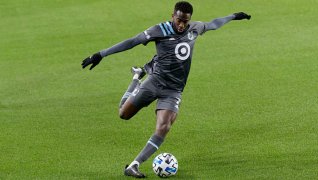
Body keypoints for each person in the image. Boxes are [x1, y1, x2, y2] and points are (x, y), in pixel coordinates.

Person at [82, 1, 251, 178]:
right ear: (172, 16)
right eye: (179, 20)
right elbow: (132, 41)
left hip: (174, 90)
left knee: (164, 126)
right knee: (123, 114)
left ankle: (133, 165)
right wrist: (101, 54)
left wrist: (233, 16)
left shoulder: (195, 28)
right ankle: (137, 77)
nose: (181, 25)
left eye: (185, 21)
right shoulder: (159, 30)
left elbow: (213, 24)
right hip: (154, 83)